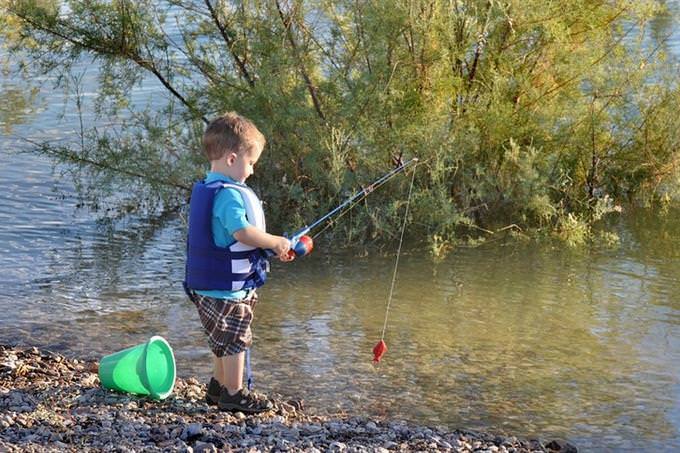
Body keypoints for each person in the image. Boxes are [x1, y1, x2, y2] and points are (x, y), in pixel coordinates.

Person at [184, 112, 293, 413]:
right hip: (226, 290)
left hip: (211, 287)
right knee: (235, 341)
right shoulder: (229, 197)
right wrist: (274, 241)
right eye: (252, 162)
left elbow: (232, 241)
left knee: (222, 340)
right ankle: (235, 393)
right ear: (232, 159)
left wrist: (269, 250)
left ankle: (218, 388)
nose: (253, 170)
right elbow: (242, 232)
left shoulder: (209, 187)